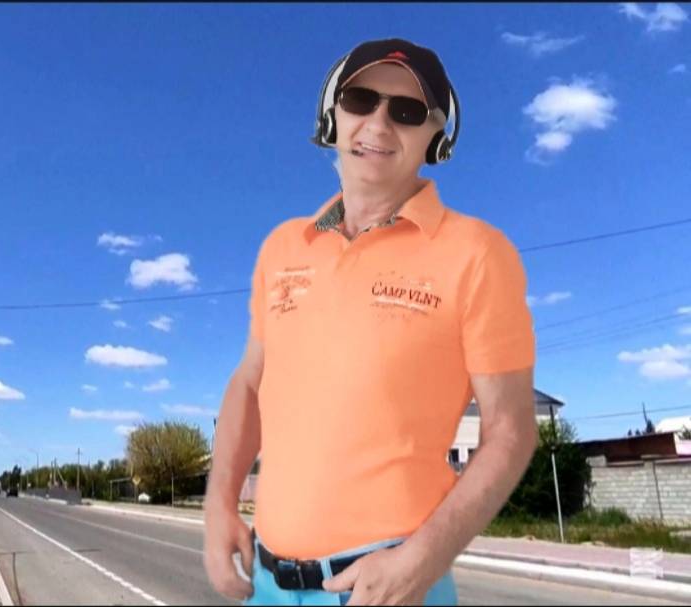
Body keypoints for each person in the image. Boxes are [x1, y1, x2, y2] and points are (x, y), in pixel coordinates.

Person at [202, 38, 539, 606]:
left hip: (387, 587)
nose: (378, 124)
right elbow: (250, 383)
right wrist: (219, 505)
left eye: (406, 111)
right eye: (361, 100)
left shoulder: (478, 253)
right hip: (268, 584)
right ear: (332, 115)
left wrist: (421, 563)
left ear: (437, 135)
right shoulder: (283, 247)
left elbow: (511, 430)